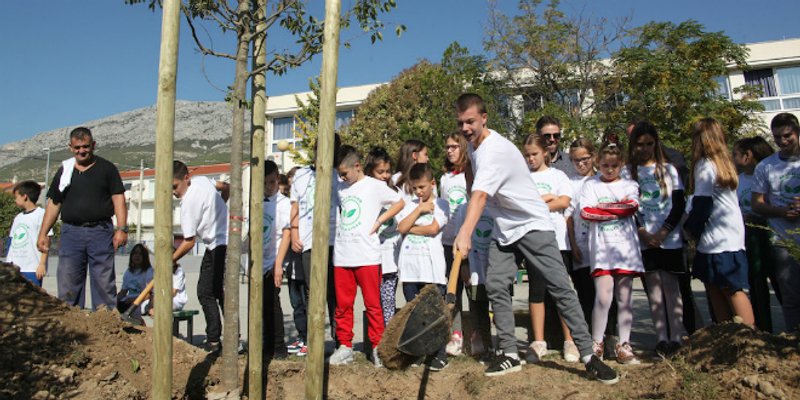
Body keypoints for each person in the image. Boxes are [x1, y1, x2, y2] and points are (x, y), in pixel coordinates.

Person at [453, 93, 618, 383]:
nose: (466, 128)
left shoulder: (495, 150)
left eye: (470, 121)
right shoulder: (473, 146)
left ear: (484, 118)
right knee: (495, 285)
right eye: (461, 122)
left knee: (559, 286)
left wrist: (464, 232)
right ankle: (508, 353)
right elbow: (472, 179)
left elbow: (479, 196)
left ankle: (589, 356)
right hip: (504, 226)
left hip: (531, 223)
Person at [327, 145, 405, 367]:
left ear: (357, 166)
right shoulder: (340, 187)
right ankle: (345, 346)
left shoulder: (375, 186)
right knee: (342, 306)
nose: (342, 177)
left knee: (373, 305)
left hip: (368, 257)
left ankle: (377, 347)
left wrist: (380, 221)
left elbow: (399, 202)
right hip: (342, 256)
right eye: (339, 174)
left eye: (344, 173)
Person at [38, 127, 127, 311]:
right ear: (70, 147)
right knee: (68, 281)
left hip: (100, 232)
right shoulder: (65, 170)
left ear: (93, 145)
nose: (81, 151)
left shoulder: (107, 169)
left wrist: (122, 228)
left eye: (85, 147)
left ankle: (106, 324)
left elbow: (118, 198)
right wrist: (43, 233)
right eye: (77, 147)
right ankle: (72, 326)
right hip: (71, 233)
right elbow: (54, 203)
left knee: (103, 281)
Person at [685, 118, 754, 327]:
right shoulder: (724, 163)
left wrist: (689, 231)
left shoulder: (705, 165)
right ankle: (725, 334)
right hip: (727, 236)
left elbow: (702, 204)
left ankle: (749, 334)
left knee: (730, 288)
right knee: (715, 285)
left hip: (717, 238)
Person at [580, 142, 644, 365]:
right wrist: (617, 211)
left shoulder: (629, 184)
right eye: (605, 165)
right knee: (603, 297)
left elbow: (631, 207)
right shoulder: (590, 185)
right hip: (601, 249)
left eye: (614, 165)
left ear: (621, 164)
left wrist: (605, 210)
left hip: (625, 249)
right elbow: (586, 212)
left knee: (624, 298)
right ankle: (596, 342)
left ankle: (624, 344)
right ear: (598, 163)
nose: (609, 169)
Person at [627, 121, 687, 356]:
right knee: (653, 290)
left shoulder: (668, 169)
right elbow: (629, 206)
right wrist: (643, 231)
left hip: (669, 238)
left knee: (672, 289)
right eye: (640, 144)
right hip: (644, 239)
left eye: (649, 144)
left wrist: (664, 231)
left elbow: (679, 203)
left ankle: (677, 336)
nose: (645, 149)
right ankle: (661, 337)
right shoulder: (628, 172)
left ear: (656, 143)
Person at [522, 134, 579, 364]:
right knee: (536, 292)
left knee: (561, 291)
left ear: (545, 152)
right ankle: (538, 341)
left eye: (534, 154)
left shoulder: (558, 175)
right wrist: (546, 199)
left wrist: (542, 201)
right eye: (526, 155)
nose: (530, 159)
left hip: (558, 242)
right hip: (532, 242)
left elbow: (564, 202)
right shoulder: (523, 178)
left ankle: (570, 341)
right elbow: (523, 205)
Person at [396, 163, 451, 370]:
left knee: (434, 313)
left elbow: (433, 229)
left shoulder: (442, 205)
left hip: (432, 270)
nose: (419, 192)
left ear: (432, 183)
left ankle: (440, 353)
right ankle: (419, 353)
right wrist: (418, 210)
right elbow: (401, 227)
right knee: (414, 314)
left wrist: (411, 228)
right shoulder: (410, 205)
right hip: (410, 270)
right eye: (415, 188)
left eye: (422, 187)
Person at [171, 160, 230, 352]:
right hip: (224, 240)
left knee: (206, 292)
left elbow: (189, 241)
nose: (173, 192)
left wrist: (170, 259)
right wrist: (221, 208)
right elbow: (225, 187)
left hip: (218, 244)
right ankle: (230, 336)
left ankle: (214, 340)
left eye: (175, 186)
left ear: (186, 178)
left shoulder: (187, 203)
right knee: (220, 292)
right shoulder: (201, 180)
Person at [290, 135, 341, 348]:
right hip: (309, 243)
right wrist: (294, 233)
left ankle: (340, 341)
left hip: (335, 242)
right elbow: (295, 206)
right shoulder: (301, 176)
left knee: (336, 293)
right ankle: (314, 340)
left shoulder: (339, 176)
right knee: (313, 292)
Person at [752, 112, 800, 332]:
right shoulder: (766, 166)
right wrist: (781, 211)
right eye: (777, 137)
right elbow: (757, 204)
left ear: (797, 133)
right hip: (782, 239)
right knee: (791, 297)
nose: (782, 141)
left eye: (787, 135)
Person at [733, 136, 781, 333]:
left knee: (781, 282)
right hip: (749, 237)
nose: (732, 158)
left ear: (748, 155)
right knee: (756, 283)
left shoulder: (768, 173)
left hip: (772, 234)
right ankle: (763, 329)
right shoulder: (737, 180)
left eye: (735, 154)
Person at [565, 138, 600, 330]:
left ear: (593, 157)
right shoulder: (570, 183)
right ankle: (590, 336)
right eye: (575, 160)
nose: (580, 164)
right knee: (585, 294)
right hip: (580, 247)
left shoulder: (602, 178)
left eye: (584, 159)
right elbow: (568, 217)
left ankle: (610, 336)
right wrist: (573, 245)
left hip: (602, 248)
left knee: (605, 295)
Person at [440, 132, 469, 356]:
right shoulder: (445, 178)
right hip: (448, 242)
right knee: (453, 292)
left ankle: (479, 335)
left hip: (469, 243)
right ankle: (455, 335)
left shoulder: (471, 174)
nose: (450, 151)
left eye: (454, 147)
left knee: (474, 289)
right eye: (447, 147)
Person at [365, 147, 401, 327]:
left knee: (388, 300)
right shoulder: (366, 192)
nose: (385, 175)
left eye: (388, 171)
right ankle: (376, 336)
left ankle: (387, 336)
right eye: (380, 172)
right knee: (373, 302)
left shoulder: (395, 193)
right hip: (372, 256)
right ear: (370, 172)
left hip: (391, 258)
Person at [261, 160, 292, 360]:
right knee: (261, 305)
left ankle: (279, 346)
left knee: (273, 303)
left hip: (274, 261)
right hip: (258, 262)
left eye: (272, 182)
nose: (269, 187)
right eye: (264, 183)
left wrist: (278, 264)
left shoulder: (283, 204)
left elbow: (286, 234)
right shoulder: (256, 202)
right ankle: (266, 343)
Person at [8, 181, 48, 286]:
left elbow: (46, 241)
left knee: (33, 298)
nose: (15, 200)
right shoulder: (18, 217)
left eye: (16, 197)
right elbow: (12, 241)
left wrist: (42, 264)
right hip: (14, 269)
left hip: (31, 268)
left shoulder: (41, 215)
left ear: (25, 196)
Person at [116, 243, 154, 314]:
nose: (137, 256)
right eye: (135, 253)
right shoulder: (128, 272)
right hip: (128, 301)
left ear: (144, 257)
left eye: (140, 254)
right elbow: (123, 292)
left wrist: (134, 300)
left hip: (143, 301)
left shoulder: (149, 271)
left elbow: (149, 294)